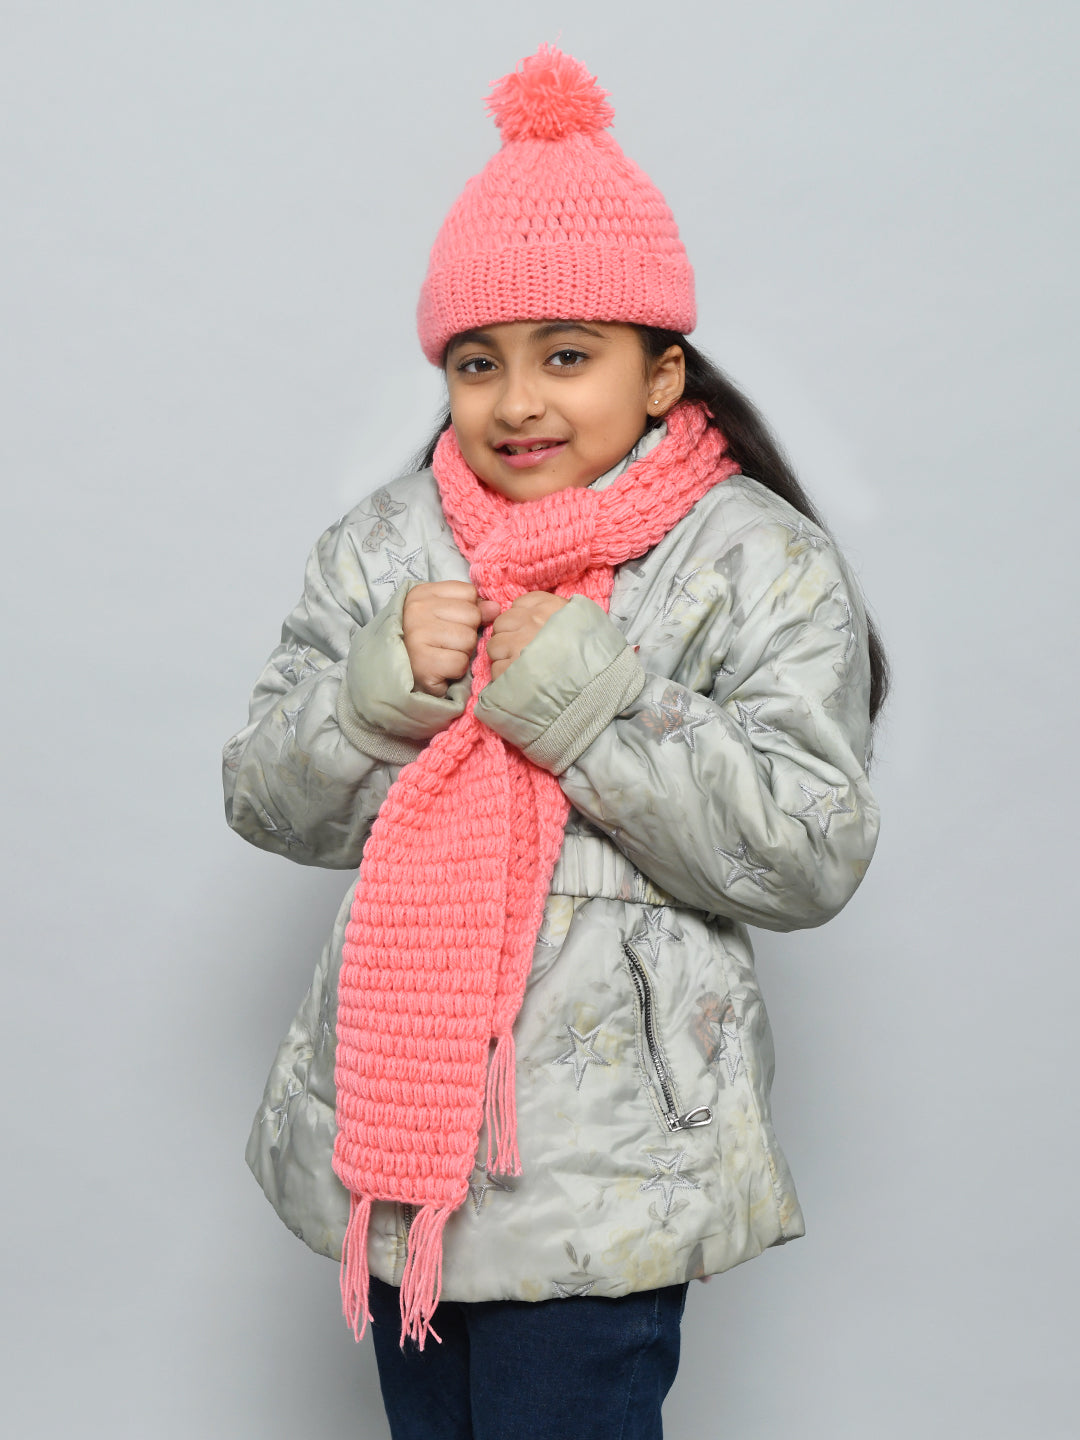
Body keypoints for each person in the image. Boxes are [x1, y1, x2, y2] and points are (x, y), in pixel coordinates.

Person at [223, 44, 885, 1439]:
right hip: (401, 1150)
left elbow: (808, 851)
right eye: (479, 364)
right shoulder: (389, 548)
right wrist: (373, 698)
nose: (518, 401)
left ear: (661, 372)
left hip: (607, 1168)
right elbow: (265, 798)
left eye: (567, 356)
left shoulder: (754, 560)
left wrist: (595, 702)